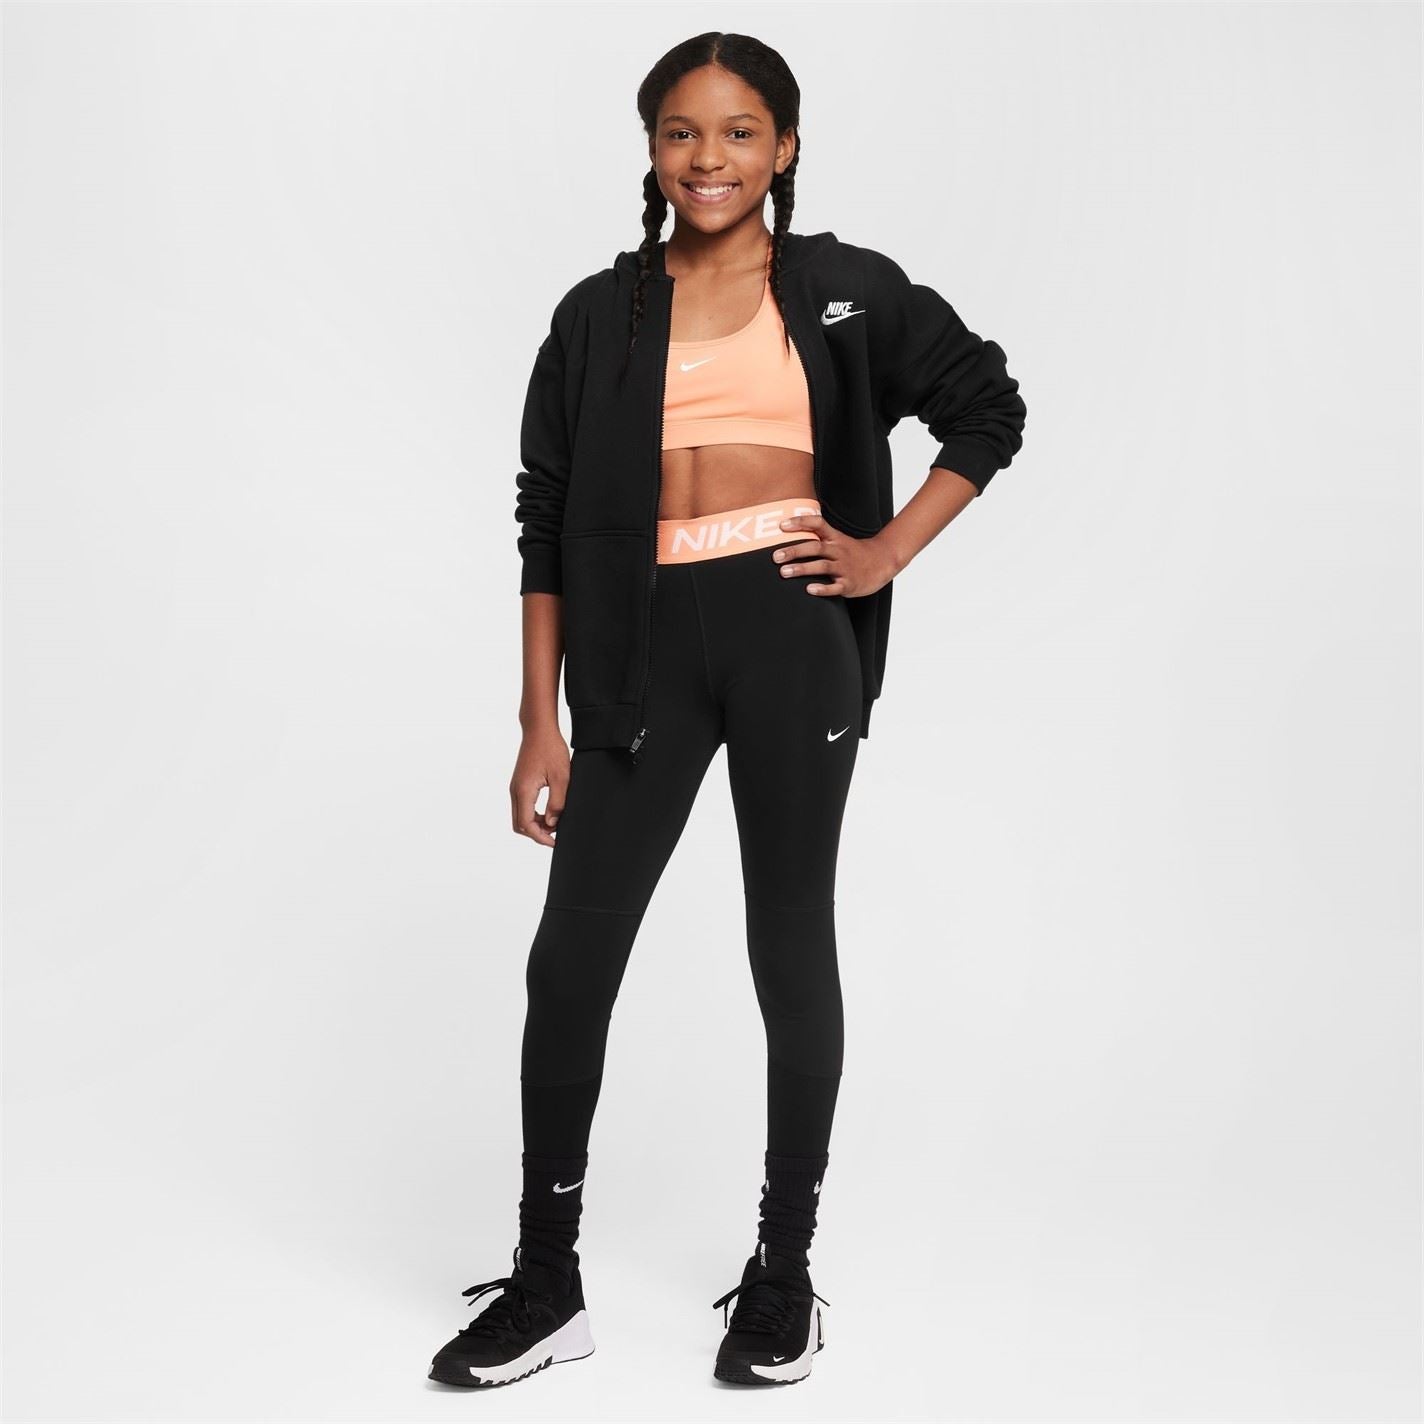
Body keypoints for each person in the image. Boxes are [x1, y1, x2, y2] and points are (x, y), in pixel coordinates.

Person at [428, 31, 1027, 1390]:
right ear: (652, 148)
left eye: (741, 131)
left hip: (788, 640)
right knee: (569, 961)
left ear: (786, 147)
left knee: (787, 943)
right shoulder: (598, 312)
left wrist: (883, 552)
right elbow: (541, 518)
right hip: (635, 650)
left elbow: (986, 408)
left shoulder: (845, 291)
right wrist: (538, 720)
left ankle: (782, 1273)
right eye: (683, 132)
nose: (710, 159)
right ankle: (546, 1282)